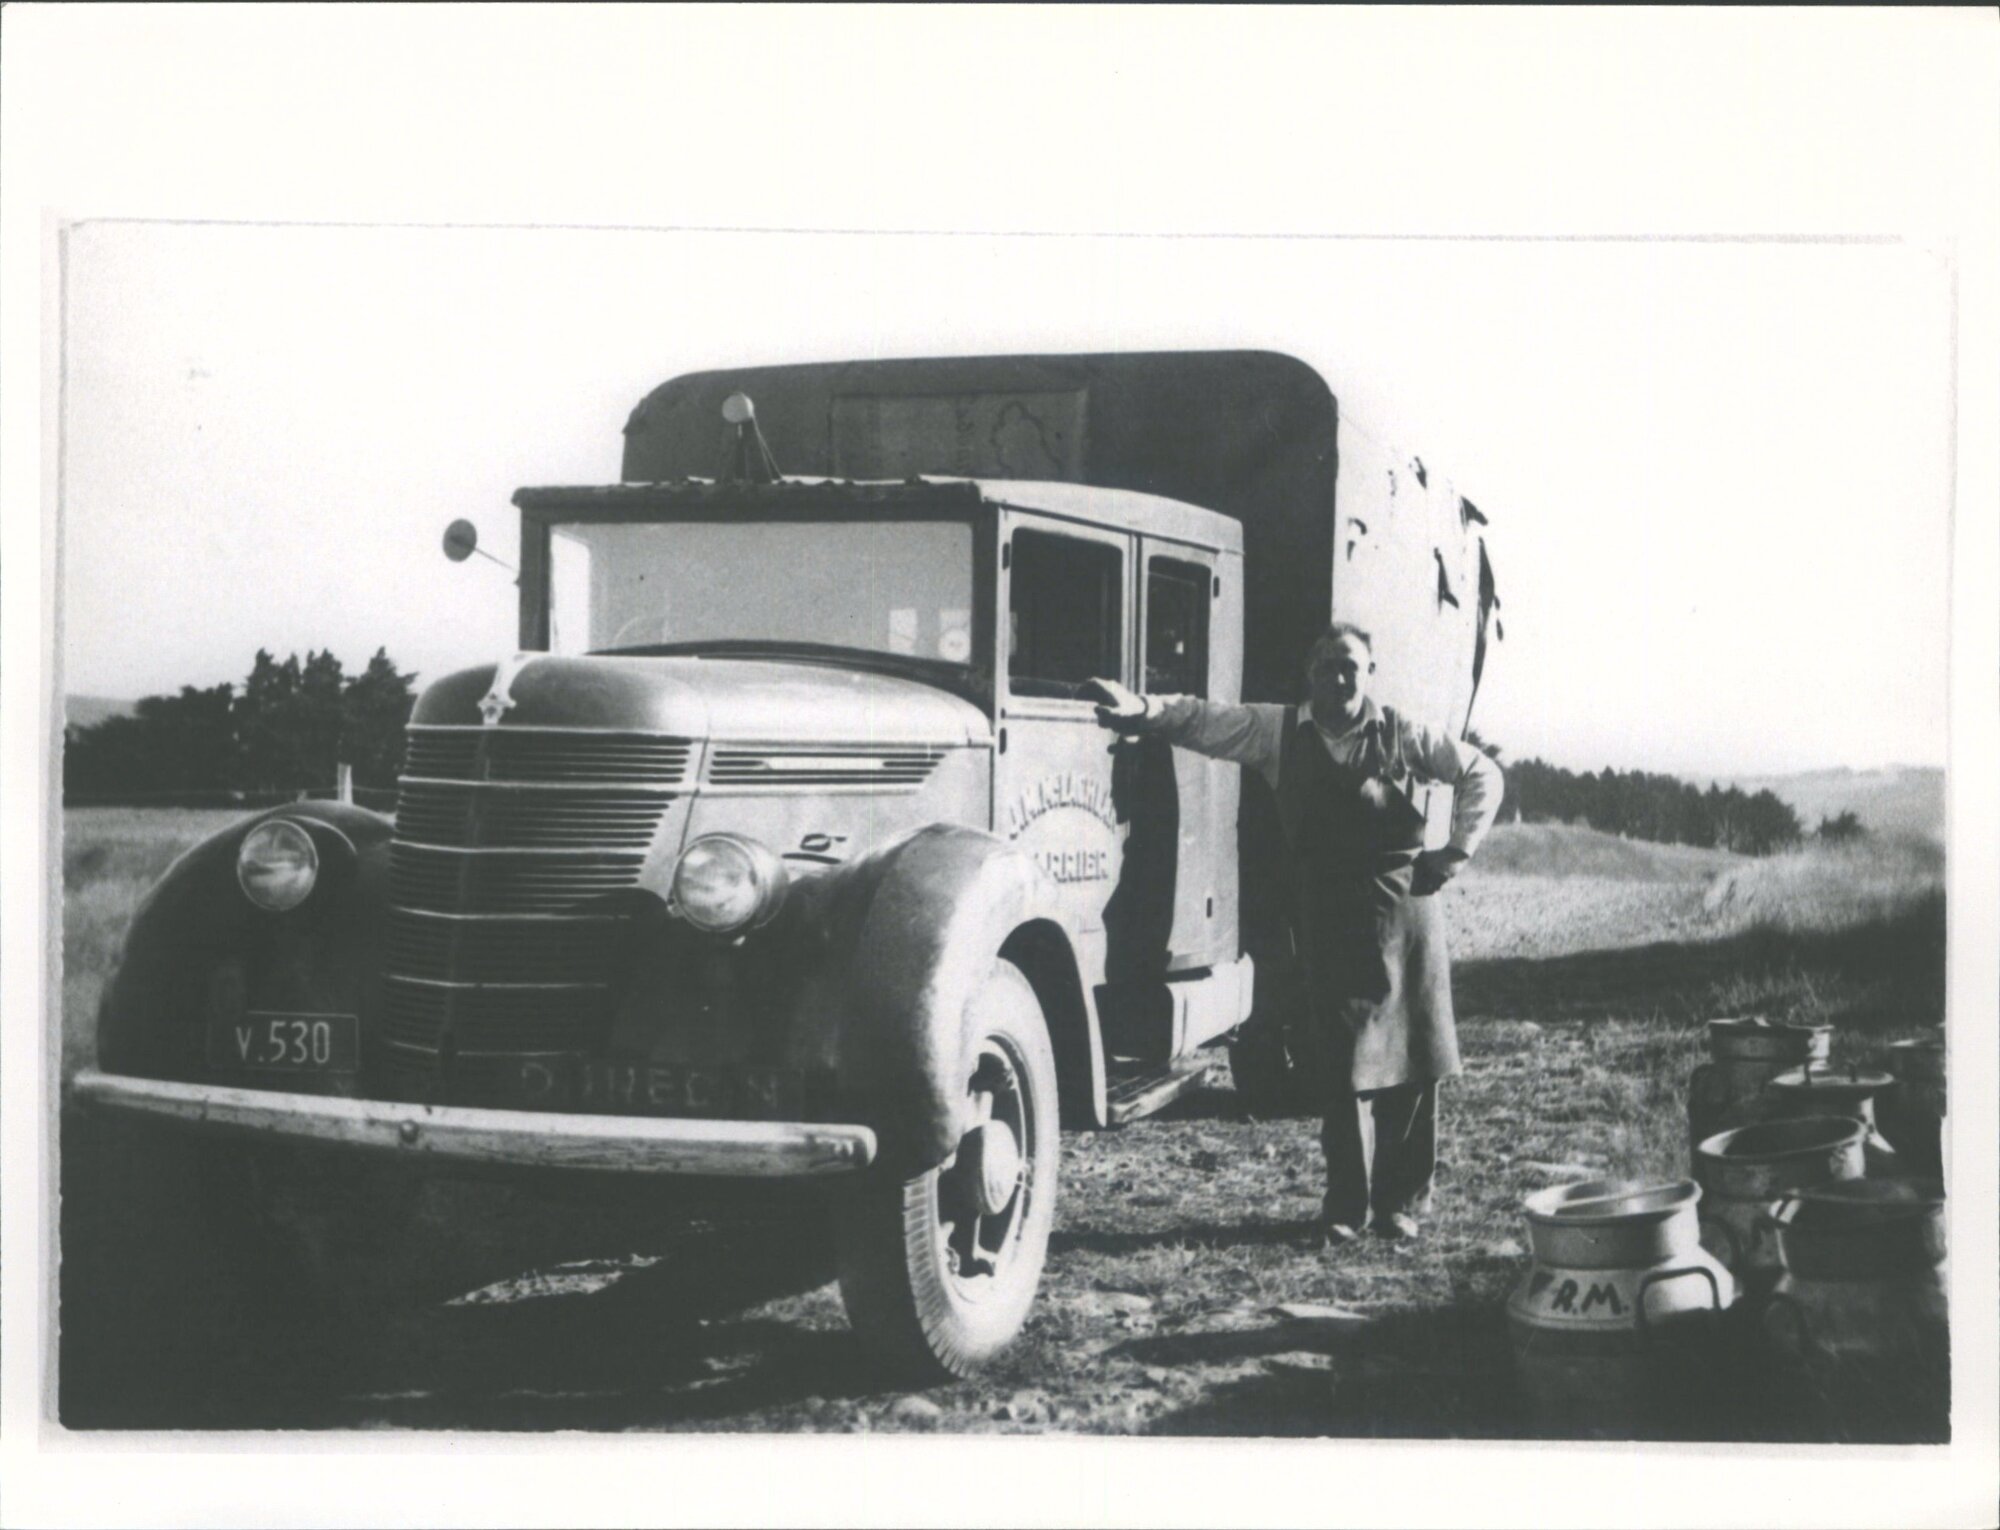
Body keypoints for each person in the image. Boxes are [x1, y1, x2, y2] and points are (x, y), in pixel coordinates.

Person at [1087, 622, 1502, 1245]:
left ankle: (1402, 1204)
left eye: (1351, 666)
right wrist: (1144, 709)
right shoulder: (1277, 731)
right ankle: (1346, 1208)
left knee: (1415, 1061)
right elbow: (1203, 720)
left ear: (1370, 673)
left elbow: (1482, 774)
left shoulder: (1401, 733)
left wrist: (1453, 854)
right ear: (1311, 675)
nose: (1340, 677)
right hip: (1327, 915)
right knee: (1339, 1064)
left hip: (1405, 912)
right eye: (1328, 666)